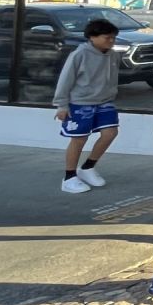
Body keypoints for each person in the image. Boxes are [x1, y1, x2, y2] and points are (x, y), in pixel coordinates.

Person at [53, 17, 121, 193]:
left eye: (113, 37)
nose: (111, 41)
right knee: (79, 139)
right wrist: (62, 105)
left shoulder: (113, 55)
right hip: (80, 103)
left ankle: (88, 167)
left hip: (105, 102)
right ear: (93, 36)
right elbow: (65, 79)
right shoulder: (79, 54)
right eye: (107, 37)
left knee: (110, 133)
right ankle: (69, 178)